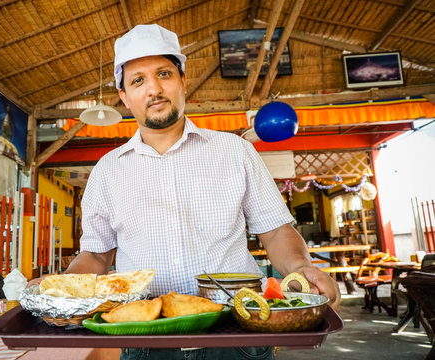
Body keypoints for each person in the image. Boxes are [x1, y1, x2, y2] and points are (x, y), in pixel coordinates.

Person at [30, 24, 340, 360]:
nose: (154, 89)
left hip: (238, 333)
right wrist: (61, 287)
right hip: (147, 342)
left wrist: (301, 267)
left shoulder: (235, 151)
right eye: (138, 80)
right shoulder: (107, 170)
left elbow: (277, 230)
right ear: (124, 97)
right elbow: (96, 255)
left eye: (164, 73)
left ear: (182, 81)